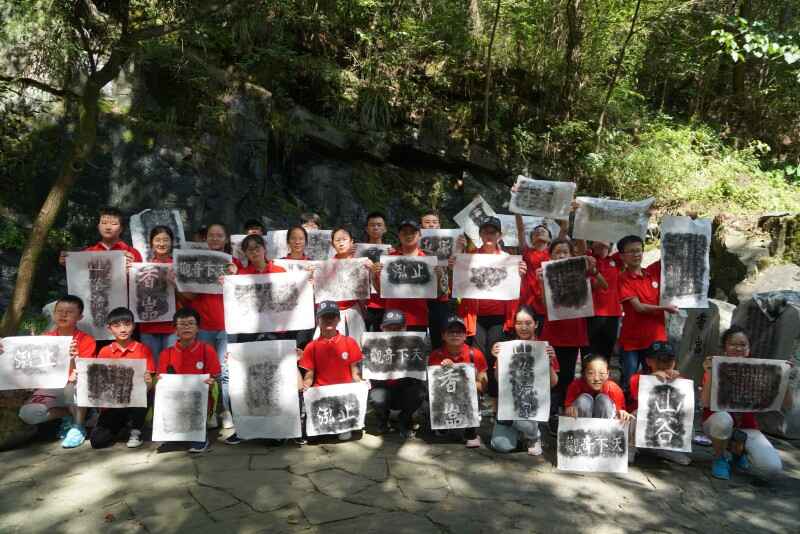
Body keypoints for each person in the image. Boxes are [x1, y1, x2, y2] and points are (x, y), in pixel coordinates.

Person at [532, 238, 604, 427]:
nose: (561, 255)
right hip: (552, 334)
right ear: (550, 256)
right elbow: (545, 305)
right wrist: (541, 282)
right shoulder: (545, 275)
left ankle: (561, 413)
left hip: (573, 333)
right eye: (557, 252)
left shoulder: (580, 273)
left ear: (572, 255)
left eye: (565, 252)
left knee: (567, 376)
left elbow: (603, 286)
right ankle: (547, 412)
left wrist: (593, 271)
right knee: (549, 375)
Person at [701, 326, 789, 480]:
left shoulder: (759, 371)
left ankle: (738, 452)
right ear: (724, 348)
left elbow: (788, 405)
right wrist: (709, 372)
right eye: (733, 344)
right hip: (717, 423)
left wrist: (785, 377)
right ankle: (720, 457)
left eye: (743, 345)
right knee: (723, 421)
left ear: (748, 349)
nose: (738, 348)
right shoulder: (716, 367)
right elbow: (705, 402)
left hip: (747, 427)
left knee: (772, 468)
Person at [9, 295, 96, 447]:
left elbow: (85, 372)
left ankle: (78, 427)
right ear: (54, 314)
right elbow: (30, 365)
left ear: (80, 317)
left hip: (73, 387)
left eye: (69, 312)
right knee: (28, 413)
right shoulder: (44, 339)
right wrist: (6, 349)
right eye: (59, 311)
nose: (63, 315)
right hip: (50, 388)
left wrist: (73, 358)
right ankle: (72, 413)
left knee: (73, 386)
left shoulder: (86, 340)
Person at [457, 216, 525, 402]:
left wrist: (520, 274)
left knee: (496, 354)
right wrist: (455, 267)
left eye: (493, 232)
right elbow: (459, 285)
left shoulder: (508, 260)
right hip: (475, 316)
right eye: (485, 231)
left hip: (499, 317)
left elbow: (516, 289)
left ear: (499, 235)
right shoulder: (469, 257)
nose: (489, 235)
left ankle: (495, 397)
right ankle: (478, 396)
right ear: (480, 234)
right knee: (477, 355)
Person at [177, 222, 235, 429]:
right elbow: (190, 296)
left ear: (226, 239)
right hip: (203, 326)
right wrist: (177, 282)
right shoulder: (196, 263)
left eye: (219, 235)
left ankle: (225, 411)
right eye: (211, 235)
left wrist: (233, 278)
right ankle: (209, 411)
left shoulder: (233, 263)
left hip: (227, 326)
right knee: (205, 371)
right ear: (205, 239)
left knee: (225, 372)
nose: (215, 239)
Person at [489, 306, 559, 456]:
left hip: (533, 405)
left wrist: (548, 362)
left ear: (536, 324)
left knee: (527, 416)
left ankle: (534, 436)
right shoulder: (507, 347)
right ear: (514, 325)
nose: (523, 327)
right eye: (519, 323)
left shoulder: (544, 348)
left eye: (528, 323)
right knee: (499, 445)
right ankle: (521, 436)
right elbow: (498, 379)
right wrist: (498, 358)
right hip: (511, 405)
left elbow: (553, 383)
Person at [617, 235, 679, 397]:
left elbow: (670, 256)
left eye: (639, 250)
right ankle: (628, 409)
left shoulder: (652, 272)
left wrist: (677, 231)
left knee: (657, 381)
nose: (636, 254)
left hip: (656, 339)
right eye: (631, 251)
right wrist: (664, 308)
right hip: (632, 341)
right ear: (622, 256)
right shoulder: (623, 278)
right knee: (630, 381)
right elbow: (638, 307)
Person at [89, 307, 155, 449]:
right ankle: (123, 425)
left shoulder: (143, 349)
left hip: (135, 402)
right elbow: (99, 383)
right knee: (98, 441)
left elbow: (149, 384)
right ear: (109, 328)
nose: (123, 329)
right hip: (113, 404)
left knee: (146, 391)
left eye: (127, 324)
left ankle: (136, 430)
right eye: (117, 326)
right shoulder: (104, 351)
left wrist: (148, 383)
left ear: (134, 326)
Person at [157, 308, 220, 453]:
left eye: (191, 323)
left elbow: (214, 376)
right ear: (175, 330)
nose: (187, 327)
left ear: (198, 328)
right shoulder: (166, 353)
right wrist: (159, 381)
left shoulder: (207, 350)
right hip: (175, 401)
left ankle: (201, 434)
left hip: (199, 401)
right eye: (182, 324)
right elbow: (161, 380)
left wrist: (210, 383)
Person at [299, 301, 365, 441]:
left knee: (343, 435)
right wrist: (306, 385)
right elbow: (309, 376)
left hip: (344, 395)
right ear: (318, 320)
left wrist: (361, 382)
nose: (328, 320)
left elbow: (355, 372)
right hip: (322, 395)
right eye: (324, 317)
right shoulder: (311, 347)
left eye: (332, 316)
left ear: (338, 319)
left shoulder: (350, 342)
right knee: (314, 437)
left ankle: (345, 425)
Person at [428, 316, 488, 448]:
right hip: (446, 397)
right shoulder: (436, 355)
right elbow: (433, 388)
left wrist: (460, 373)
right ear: (443, 336)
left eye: (459, 332)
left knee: (475, 395)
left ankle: (471, 432)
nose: (455, 335)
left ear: (465, 335)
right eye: (450, 332)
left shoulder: (475, 354)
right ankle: (442, 424)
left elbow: (483, 387)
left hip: (467, 396)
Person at [627, 341, 691, 465]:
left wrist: (677, 381)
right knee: (636, 414)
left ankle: (668, 449)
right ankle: (630, 449)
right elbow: (637, 397)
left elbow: (685, 406)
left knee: (684, 418)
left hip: (663, 427)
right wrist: (652, 378)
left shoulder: (680, 381)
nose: (665, 363)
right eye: (660, 359)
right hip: (639, 429)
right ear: (648, 361)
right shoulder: (637, 378)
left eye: (669, 359)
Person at [367, 309, 426, 438]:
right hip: (383, 390)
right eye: (389, 327)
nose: (393, 330)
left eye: (398, 327)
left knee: (419, 392)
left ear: (405, 328)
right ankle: (383, 420)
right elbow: (368, 374)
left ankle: (404, 419)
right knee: (376, 396)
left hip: (405, 390)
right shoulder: (373, 345)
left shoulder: (415, 345)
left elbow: (419, 376)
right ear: (382, 328)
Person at [374, 220, 434, 335]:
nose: (408, 235)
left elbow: (437, 294)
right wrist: (373, 275)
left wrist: (439, 275)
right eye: (404, 232)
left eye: (412, 232)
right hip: (392, 318)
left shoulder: (427, 260)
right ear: (399, 235)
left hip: (418, 317)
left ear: (420, 235)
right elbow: (380, 291)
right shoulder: (389, 259)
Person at [516, 215, 566, 334]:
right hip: (527, 302)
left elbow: (563, 231)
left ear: (550, 239)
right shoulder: (526, 251)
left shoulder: (554, 254)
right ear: (531, 239)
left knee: (544, 337)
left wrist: (566, 213)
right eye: (536, 231)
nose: (540, 231)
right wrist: (517, 211)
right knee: (527, 336)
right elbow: (521, 229)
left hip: (547, 302)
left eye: (543, 230)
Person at [420, 210, 460, 350]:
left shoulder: (449, 244)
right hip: (419, 297)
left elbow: (458, 272)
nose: (431, 225)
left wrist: (460, 249)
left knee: (440, 338)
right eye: (427, 222)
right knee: (419, 337)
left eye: (434, 222)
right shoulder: (414, 245)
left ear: (439, 225)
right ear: (421, 226)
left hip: (441, 298)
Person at [139, 226, 177, 368]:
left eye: (166, 240)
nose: (161, 243)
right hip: (149, 326)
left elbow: (190, 297)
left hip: (173, 327)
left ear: (172, 242)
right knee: (151, 369)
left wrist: (176, 284)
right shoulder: (142, 268)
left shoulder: (178, 266)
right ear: (151, 243)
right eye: (157, 240)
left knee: (171, 368)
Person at [59, 207, 143, 268]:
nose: (108, 227)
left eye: (114, 224)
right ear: (98, 226)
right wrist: (67, 263)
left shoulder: (133, 253)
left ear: (121, 228)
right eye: (104, 223)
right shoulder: (88, 252)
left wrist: (133, 268)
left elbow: (141, 281)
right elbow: (80, 276)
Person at [327, 225, 370, 344]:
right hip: (331, 311)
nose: (341, 243)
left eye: (344, 239)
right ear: (332, 244)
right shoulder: (326, 266)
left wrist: (372, 270)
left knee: (358, 346)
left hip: (354, 309)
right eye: (337, 240)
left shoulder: (361, 263)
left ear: (351, 242)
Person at [564, 353, 631, 421]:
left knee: (603, 400)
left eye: (601, 373)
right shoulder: (575, 386)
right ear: (583, 374)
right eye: (591, 373)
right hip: (580, 424)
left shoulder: (614, 389)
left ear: (607, 374)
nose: (596, 378)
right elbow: (567, 409)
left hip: (606, 425)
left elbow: (620, 412)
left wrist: (621, 413)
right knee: (584, 400)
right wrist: (569, 410)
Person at [585, 241, 623, 359]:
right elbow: (596, 285)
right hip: (592, 314)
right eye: (598, 239)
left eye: (605, 240)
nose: (602, 242)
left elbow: (627, 244)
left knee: (607, 352)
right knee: (590, 353)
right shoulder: (588, 259)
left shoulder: (615, 260)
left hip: (613, 314)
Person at [364, 212, 388, 332]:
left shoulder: (392, 253)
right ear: (366, 229)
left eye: (379, 225)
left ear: (385, 229)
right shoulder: (356, 252)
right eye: (372, 225)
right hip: (364, 303)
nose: (375, 228)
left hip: (384, 303)